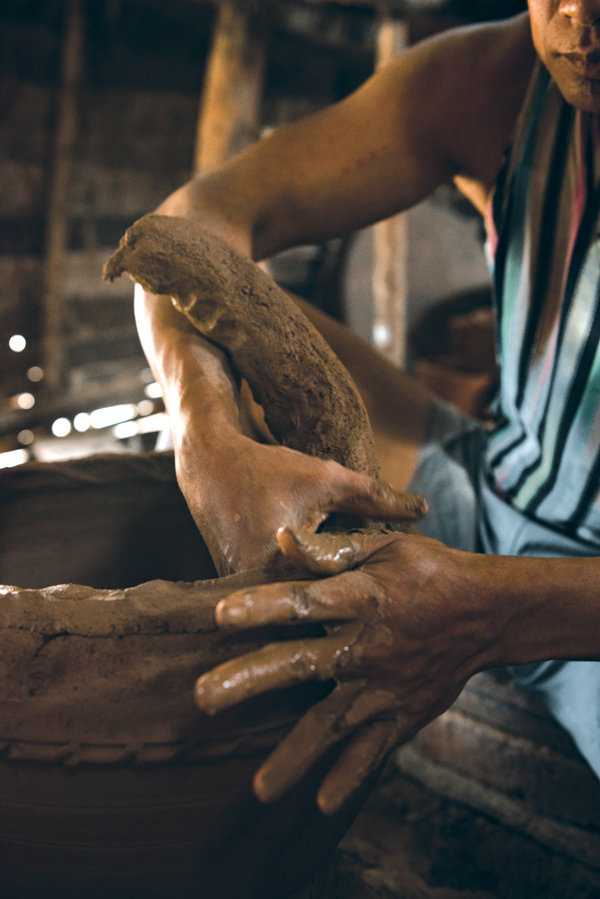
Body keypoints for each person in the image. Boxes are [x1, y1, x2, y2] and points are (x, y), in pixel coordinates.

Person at [134, 1, 600, 817]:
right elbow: (186, 228)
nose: (578, 18)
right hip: (493, 488)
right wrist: (202, 428)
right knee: (229, 329)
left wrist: (494, 612)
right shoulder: (493, 84)